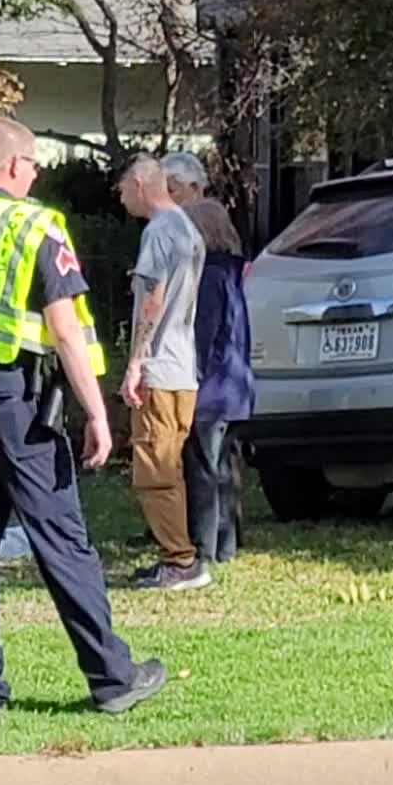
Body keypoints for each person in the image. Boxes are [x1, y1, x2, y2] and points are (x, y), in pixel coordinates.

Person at [0, 115, 165, 717]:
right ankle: (112, 676)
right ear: (15, 166)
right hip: (13, 399)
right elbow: (66, 332)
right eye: (35, 163)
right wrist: (97, 412)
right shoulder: (34, 225)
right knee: (62, 539)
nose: (39, 173)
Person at [116, 154, 209, 591]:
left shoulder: (157, 232)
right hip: (183, 366)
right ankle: (179, 554)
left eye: (121, 189)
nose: (119, 198)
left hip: (160, 367)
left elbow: (153, 297)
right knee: (169, 464)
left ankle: (180, 560)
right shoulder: (188, 228)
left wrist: (136, 359)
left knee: (156, 469)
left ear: (139, 184)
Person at [162, 152, 253, 566]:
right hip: (235, 385)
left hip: (210, 388)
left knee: (203, 471)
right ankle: (226, 546)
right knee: (223, 469)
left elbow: (204, 333)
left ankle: (204, 548)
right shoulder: (234, 272)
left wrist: (190, 375)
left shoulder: (210, 275)